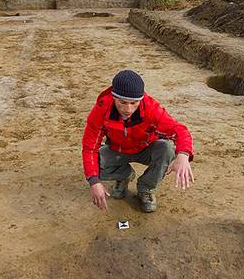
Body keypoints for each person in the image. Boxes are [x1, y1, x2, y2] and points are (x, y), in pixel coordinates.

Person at [82, 69, 194, 212]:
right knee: (95, 164)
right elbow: (89, 148)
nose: (128, 109)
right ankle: (124, 175)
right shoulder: (102, 109)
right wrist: (94, 182)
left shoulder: (151, 108)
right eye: (122, 102)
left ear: (140, 99)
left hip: (146, 149)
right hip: (117, 150)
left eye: (134, 103)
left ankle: (146, 188)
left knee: (167, 149)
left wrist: (183, 155)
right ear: (113, 97)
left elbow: (180, 130)